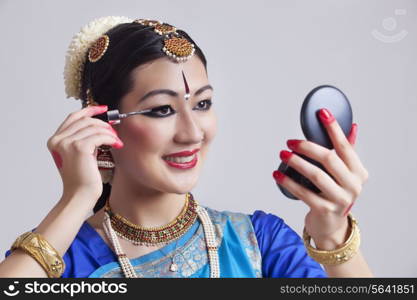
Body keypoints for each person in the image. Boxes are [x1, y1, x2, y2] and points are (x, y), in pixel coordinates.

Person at [0, 16, 373, 278]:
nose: (193, 132)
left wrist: (333, 234)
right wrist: (76, 199)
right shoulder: (65, 261)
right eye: (163, 109)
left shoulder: (259, 244)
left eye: (203, 104)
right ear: (101, 122)